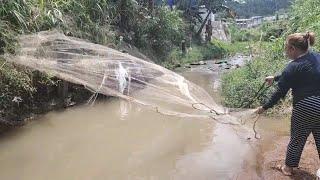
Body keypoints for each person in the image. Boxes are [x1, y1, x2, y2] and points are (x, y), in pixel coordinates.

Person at [255, 32, 320, 176]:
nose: (285, 51)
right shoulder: (317, 56)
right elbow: (301, 71)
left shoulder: (292, 67)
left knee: (297, 138)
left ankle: (288, 168)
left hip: (305, 106)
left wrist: (264, 107)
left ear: (292, 49)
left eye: (286, 48)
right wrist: (276, 77)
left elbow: (279, 93)